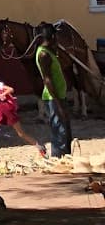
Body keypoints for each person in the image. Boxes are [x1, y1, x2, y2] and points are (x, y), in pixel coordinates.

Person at [0, 67, 46, 163]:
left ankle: (39, 147)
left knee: (20, 133)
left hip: (6, 108)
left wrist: (3, 94)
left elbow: (10, 89)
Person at [35, 22, 72, 158]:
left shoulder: (50, 52)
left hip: (59, 95)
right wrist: (58, 103)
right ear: (52, 37)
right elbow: (47, 80)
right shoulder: (43, 55)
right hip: (53, 98)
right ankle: (59, 158)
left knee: (65, 128)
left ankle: (66, 155)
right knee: (59, 130)